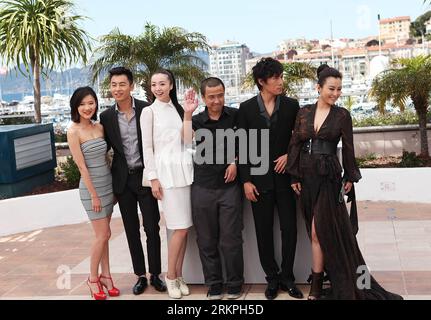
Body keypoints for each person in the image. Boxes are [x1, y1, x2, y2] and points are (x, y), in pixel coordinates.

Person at [286, 64, 403, 300]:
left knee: (319, 232)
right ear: (318, 88)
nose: (336, 93)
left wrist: (350, 176)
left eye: (339, 89)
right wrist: (293, 175)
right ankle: (319, 282)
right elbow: (295, 145)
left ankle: (317, 288)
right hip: (307, 177)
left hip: (329, 177)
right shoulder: (303, 112)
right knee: (314, 233)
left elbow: (348, 148)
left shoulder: (342, 115)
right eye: (331, 88)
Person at [237, 58, 303, 300]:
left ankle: (288, 276)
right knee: (263, 232)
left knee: (290, 229)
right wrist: (246, 180)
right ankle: (272, 279)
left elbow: (299, 140)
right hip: (258, 181)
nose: (280, 81)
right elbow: (241, 147)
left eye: (280, 76)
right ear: (261, 82)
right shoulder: (246, 109)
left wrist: (289, 155)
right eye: (275, 78)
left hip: (286, 180)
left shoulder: (291, 105)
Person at [99, 67, 166, 295]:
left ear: (131, 86)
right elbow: (105, 150)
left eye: (122, 84)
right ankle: (140, 275)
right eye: (114, 85)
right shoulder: (106, 117)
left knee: (152, 227)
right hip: (122, 182)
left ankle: (155, 274)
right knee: (131, 230)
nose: (117, 89)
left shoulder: (147, 110)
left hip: (145, 178)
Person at [182, 77, 244, 300]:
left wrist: (235, 161)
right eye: (211, 97)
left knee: (231, 238)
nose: (217, 100)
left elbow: (246, 143)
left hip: (230, 188)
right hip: (203, 186)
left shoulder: (236, 116)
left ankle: (235, 282)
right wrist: (188, 113)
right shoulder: (196, 120)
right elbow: (186, 141)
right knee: (206, 239)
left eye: (220, 95)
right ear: (204, 98)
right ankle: (215, 283)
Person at [141, 69, 194, 299]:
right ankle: (170, 276)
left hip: (184, 171)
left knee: (184, 228)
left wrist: (189, 113)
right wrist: (153, 178)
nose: (158, 88)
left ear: (171, 85)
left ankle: (179, 274)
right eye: (154, 84)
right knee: (178, 228)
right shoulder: (148, 112)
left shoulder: (177, 108)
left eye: (162, 83)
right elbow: (147, 147)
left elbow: (187, 140)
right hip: (166, 175)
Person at [67, 87, 120, 300]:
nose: (87, 107)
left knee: (105, 234)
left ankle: (106, 276)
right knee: (102, 235)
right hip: (91, 189)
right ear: (76, 107)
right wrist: (94, 195)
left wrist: (113, 188)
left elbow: (108, 158)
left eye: (91, 103)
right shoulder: (73, 131)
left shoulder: (100, 128)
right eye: (82, 104)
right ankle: (92, 278)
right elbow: (81, 167)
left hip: (107, 185)